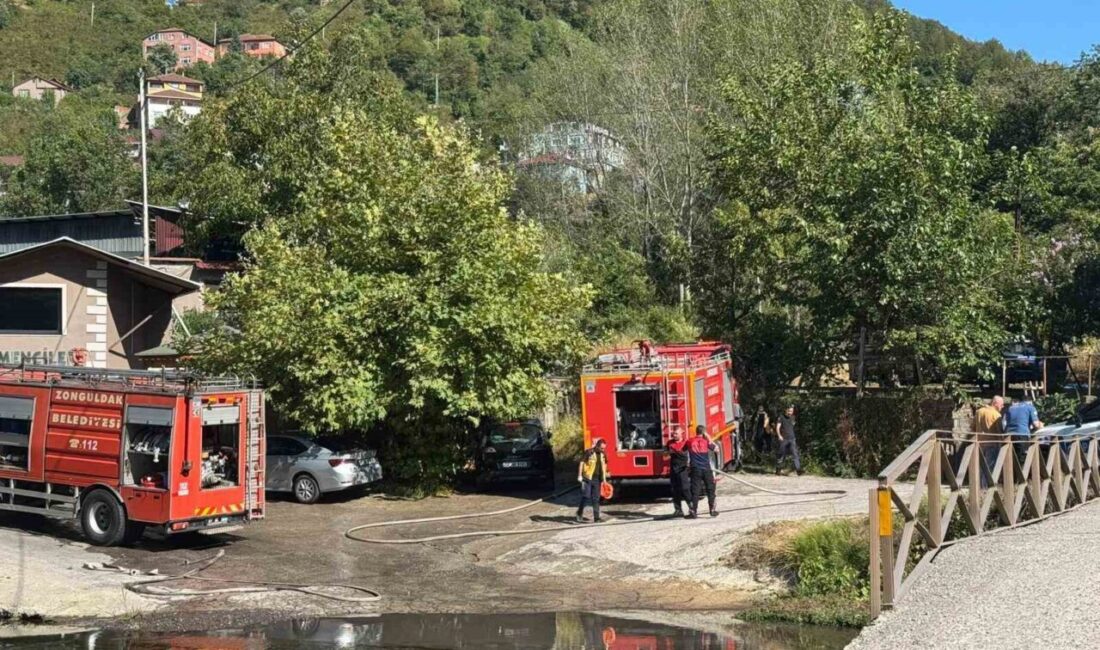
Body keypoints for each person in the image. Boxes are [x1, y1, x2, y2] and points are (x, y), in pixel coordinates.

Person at [1003, 394, 1044, 467]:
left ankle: (1011, 473)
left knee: (1010, 458)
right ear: (1030, 402)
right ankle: (1021, 474)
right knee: (1022, 458)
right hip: (1021, 434)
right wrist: (1041, 425)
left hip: (1008, 435)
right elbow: (1036, 424)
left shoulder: (1011, 407)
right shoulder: (1030, 407)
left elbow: (1005, 422)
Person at [973, 396, 1004, 488]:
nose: (1002, 406)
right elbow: (999, 431)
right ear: (995, 403)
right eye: (1001, 404)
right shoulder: (996, 415)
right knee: (990, 467)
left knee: (981, 467)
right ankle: (986, 488)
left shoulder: (979, 412)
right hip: (992, 444)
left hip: (980, 443)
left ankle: (980, 487)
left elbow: (973, 427)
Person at [687, 425, 718, 518]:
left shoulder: (690, 441)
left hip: (695, 468)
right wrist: (709, 437)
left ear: (696, 432)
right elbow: (716, 449)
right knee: (710, 489)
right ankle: (712, 510)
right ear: (704, 432)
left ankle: (693, 511)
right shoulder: (706, 442)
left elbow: (683, 450)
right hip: (706, 468)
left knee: (695, 490)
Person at [576, 438, 611, 523]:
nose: (603, 449)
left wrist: (605, 478)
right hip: (587, 478)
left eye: (604, 448)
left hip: (597, 479)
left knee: (596, 499)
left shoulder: (603, 454)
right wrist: (579, 475)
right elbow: (581, 463)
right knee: (586, 496)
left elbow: (605, 465)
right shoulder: (589, 452)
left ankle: (597, 518)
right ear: (597, 446)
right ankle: (579, 513)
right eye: (602, 448)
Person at [666, 427, 691, 517]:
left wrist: (689, 462)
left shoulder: (686, 442)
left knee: (685, 488)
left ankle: (691, 507)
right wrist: (667, 453)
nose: (674, 435)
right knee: (675, 489)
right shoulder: (670, 443)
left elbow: (690, 453)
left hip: (683, 468)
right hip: (674, 468)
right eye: (673, 433)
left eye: (676, 433)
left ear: (681, 434)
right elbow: (665, 454)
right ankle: (678, 510)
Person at [775, 405, 803, 475]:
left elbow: (792, 426)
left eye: (792, 411)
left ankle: (798, 469)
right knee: (781, 454)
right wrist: (779, 435)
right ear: (786, 410)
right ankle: (778, 469)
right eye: (789, 411)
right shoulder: (781, 417)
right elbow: (777, 427)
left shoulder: (793, 417)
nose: (790, 412)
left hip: (792, 439)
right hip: (784, 439)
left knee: (795, 454)